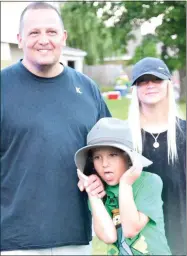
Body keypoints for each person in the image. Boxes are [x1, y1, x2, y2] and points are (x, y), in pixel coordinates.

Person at [1, 2, 111, 255]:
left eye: (51, 32)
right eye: (34, 32)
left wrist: (100, 178)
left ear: (63, 37)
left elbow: (108, 155)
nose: (43, 40)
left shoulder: (88, 89)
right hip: (14, 241)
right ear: (20, 39)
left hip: (75, 236)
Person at [75, 117, 172, 255]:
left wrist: (125, 185)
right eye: (97, 157)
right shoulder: (101, 191)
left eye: (112, 155)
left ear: (128, 157)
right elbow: (109, 237)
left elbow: (131, 229)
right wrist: (93, 194)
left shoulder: (149, 182)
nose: (104, 164)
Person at [128, 57, 186, 255]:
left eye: (157, 79)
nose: (150, 85)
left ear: (168, 85)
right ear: (135, 88)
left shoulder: (184, 133)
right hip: (141, 238)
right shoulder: (124, 138)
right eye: (143, 81)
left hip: (181, 231)